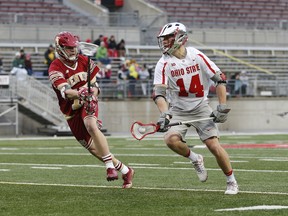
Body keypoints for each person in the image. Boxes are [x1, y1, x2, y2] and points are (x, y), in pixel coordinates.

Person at [153, 22, 238, 195]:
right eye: (164, 39)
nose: (165, 42)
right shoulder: (163, 63)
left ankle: (231, 181)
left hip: (201, 106)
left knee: (213, 145)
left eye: (169, 37)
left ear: (180, 37)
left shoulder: (196, 55)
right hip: (177, 109)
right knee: (171, 140)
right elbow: (159, 93)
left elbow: (220, 79)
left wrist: (222, 106)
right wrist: (164, 114)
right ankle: (195, 158)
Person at [48, 31, 134, 188]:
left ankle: (109, 167)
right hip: (71, 109)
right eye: (69, 48)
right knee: (93, 148)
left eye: (74, 47)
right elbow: (66, 92)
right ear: (60, 49)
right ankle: (126, 170)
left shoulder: (85, 61)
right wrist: (81, 93)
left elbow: (95, 86)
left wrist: (92, 94)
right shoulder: (55, 67)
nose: (73, 50)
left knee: (91, 126)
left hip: (87, 102)